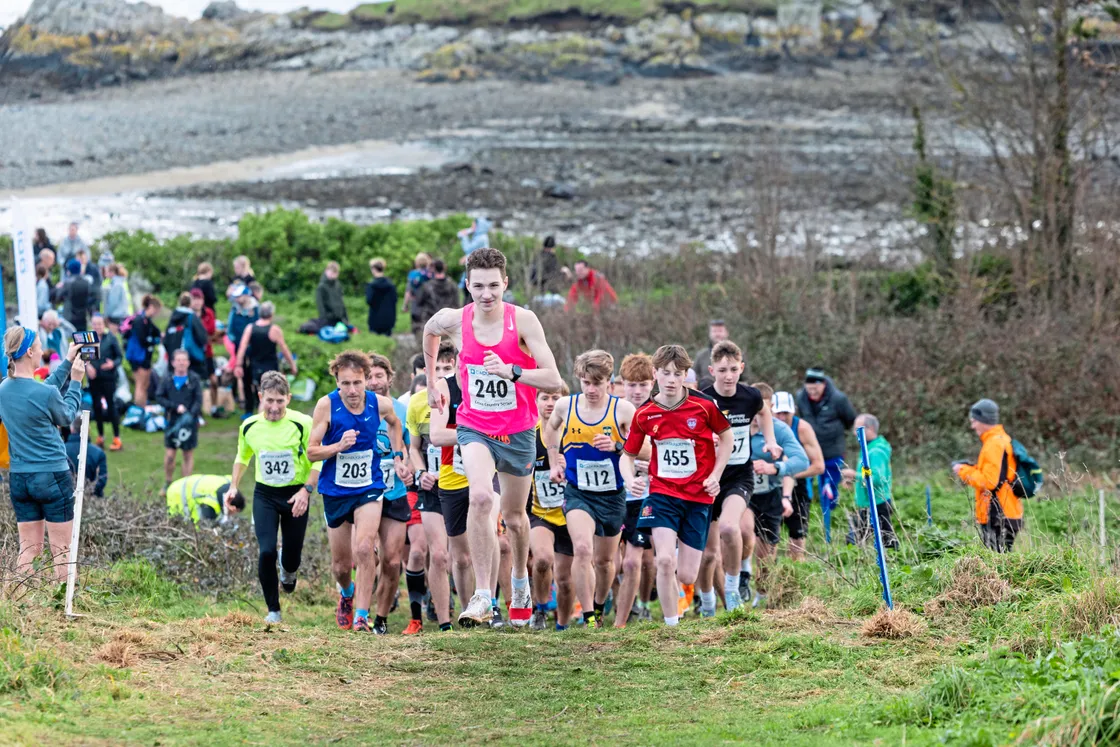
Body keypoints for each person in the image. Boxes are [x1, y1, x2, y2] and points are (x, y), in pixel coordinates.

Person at [423, 247, 563, 628]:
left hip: (518, 431)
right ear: (467, 285)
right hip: (474, 426)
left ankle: (519, 580)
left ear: (506, 284)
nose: (486, 295)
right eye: (479, 286)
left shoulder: (525, 321)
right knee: (482, 497)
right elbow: (429, 330)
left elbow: (554, 379)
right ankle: (483, 594)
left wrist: (512, 372)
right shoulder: (455, 320)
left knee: (516, 518)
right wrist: (433, 381)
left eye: (494, 287)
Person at [619, 345, 733, 627]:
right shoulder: (645, 413)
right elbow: (628, 455)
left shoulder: (704, 406)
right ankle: (672, 628)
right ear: (655, 374)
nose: (671, 379)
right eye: (666, 373)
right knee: (664, 561)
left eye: (678, 374)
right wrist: (629, 479)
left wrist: (716, 475)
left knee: (687, 576)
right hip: (663, 494)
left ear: (685, 376)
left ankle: (682, 564)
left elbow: (727, 437)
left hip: (698, 497)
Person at [308, 351, 409, 633]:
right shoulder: (326, 406)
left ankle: (361, 617)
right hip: (336, 490)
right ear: (337, 382)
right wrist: (337, 447)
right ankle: (346, 592)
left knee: (364, 548)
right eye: (345, 384)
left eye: (357, 383)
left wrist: (398, 455)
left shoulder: (379, 403)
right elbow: (312, 452)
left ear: (366, 379)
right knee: (341, 566)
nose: (352, 390)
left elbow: (395, 424)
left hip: (369, 486)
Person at [543, 350, 635, 628]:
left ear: (609, 380)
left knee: (606, 561)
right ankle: (587, 617)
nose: (592, 389)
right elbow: (550, 430)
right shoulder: (565, 407)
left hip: (612, 495)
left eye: (598, 382)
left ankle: (597, 605)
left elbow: (644, 449)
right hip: (577, 492)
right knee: (582, 549)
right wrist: (553, 463)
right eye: (586, 382)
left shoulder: (623, 410)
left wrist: (619, 447)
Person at [227, 372, 320, 624]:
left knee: (292, 556)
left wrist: (306, 491)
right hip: (265, 494)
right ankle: (273, 610)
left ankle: (288, 571)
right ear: (261, 397)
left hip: (296, 494)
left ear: (288, 399)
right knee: (266, 550)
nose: (275, 407)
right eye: (269, 400)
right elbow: (242, 457)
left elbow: (317, 460)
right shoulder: (249, 426)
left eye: (280, 401)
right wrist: (233, 486)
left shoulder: (303, 423)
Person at [696, 341, 780, 614]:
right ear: (712, 370)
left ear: (742, 368)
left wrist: (770, 440)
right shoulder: (703, 399)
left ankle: (732, 591)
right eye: (722, 370)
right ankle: (707, 603)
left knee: (731, 529)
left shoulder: (751, 396)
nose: (729, 376)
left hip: (738, 476)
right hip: (707, 479)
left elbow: (764, 411)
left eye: (734, 369)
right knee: (708, 555)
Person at [0, 329, 85, 583]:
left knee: (29, 550)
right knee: (62, 551)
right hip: (52, 476)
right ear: (29, 352)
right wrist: (77, 381)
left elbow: (40, 392)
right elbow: (67, 415)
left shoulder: (3, 389)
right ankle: (64, 604)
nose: (41, 351)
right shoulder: (44, 394)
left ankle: (17, 604)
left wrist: (68, 362)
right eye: (38, 347)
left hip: (20, 478)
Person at [425, 344, 478, 628]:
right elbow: (436, 435)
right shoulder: (444, 389)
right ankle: (468, 609)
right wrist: (476, 434)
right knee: (461, 556)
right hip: (452, 476)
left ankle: (487, 606)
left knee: (490, 543)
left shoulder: (485, 388)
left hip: (485, 476)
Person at [365, 353, 415, 635]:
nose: (373, 382)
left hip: (394, 490)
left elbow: (409, 447)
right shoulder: (357, 408)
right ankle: (359, 606)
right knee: (365, 555)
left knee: (393, 561)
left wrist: (405, 466)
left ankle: (381, 619)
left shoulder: (401, 410)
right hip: (364, 491)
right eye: (368, 377)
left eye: (378, 376)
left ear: (389, 378)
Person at [746, 382, 808, 608]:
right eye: (753, 409)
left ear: (771, 408)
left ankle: (761, 593)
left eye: (763, 410)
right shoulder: (736, 424)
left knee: (765, 551)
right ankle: (739, 579)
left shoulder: (779, 430)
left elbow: (801, 461)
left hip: (769, 493)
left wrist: (775, 469)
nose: (757, 416)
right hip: (741, 492)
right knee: (740, 534)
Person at [615, 353, 657, 627]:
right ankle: (608, 607)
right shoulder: (610, 411)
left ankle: (625, 619)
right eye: (632, 385)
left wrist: (648, 457)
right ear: (622, 384)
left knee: (635, 562)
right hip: (610, 496)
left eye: (643, 385)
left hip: (645, 498)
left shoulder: (659, 413)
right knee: (609, 563)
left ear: (653, 383)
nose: (638, 391)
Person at [528, 383, 571, 630]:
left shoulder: (574, 433)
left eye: (556, 398)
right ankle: (541, 609)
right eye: (545, 397)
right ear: (536, 401)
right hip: (539, 511)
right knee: (542, 560)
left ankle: (563, 624)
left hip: (570, 512)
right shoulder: (529, 435)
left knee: (565, 579)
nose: (550, 403)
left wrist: (570, 465)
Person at [953, 399, 1022, 553]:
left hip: (998, 515)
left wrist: (963, 471)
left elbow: (990, 481)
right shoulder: (1001, 439)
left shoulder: (994, 444)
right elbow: (996, 474)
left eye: (974, 421)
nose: (972, 426)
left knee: (997, 566)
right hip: (1006, 513)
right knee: (1001, 563)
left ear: (984, 419)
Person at [795, 368, 857, 537]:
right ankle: (806, 514)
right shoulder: (801, 397)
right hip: (809, 451)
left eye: (815, 389)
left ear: (823, 384)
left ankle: (831, 519)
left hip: (833, 451)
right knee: (804, 483)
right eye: (809, 390)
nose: (812, 393)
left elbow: (851, 419)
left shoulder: (839, 399)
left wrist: (832, 431)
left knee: (830, 487)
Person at [771, 391, 825, 561]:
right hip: (770, 485)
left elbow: (819, 466)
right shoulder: (764, 426)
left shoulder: (802, 428)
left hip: (799, 487)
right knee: (769, 538)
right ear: (771, 410)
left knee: (797, 538)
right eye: (778, 412)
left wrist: (789, 472)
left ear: (793, 411)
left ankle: (797, 577)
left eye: (786, 412)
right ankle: (768, 581)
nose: (782, 417)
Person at [841, 414, 897, 549]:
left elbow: (877, 478)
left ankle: (895, 562)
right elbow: (868, 472)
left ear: (870, 428)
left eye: (857, 429)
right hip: (868, 502)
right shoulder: (869, 447)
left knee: (883, 540)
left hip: (877, 502)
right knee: (883, 539)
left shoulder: (876, 451)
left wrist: (855, 475)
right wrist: (855, 479)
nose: (855, 434)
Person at [235, 302, 297, 418]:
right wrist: (292, 365)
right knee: (267, 396)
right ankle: (262, 419)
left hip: (254, 366)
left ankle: (253, 414)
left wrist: (238, 365)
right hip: (270, 368)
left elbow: (242, 347)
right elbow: (284, 349)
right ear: (271, 314)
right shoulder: (274, 329)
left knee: (259, 393)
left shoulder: (250, 328)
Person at [157, 349, 204, 492]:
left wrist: (190, 414)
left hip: (189, 423)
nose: (181, 363)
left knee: (188, 454)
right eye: (178, 360)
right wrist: (174, 407)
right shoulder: (167, 379)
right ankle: (168, 482)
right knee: (170, 455)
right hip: (172, 422)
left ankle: (185, 485)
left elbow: (198, 399)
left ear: (188, 363)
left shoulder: (194, 379)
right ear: (173, 363)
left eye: (184, 360)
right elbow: (159, 397)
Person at [85, 315, 123, 452]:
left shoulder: (111, 338)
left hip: (108, 378)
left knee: (111, 405)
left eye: (99, 324)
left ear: (104, 325)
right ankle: (100, 436)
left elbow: (119, 357)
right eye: (94, 324)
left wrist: (112, 364)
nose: (97, 327)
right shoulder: (88, 339)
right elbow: (84, 358)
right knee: (97, 406)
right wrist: (87, 367)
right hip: (94, 379)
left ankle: (117, 437)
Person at [125, 295, 162, 408]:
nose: (156, 313)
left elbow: (157, 331)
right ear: (151, 307)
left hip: (145, 356)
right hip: (137, 357)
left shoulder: (147, 320)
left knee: (146, 384)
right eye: (156, 310)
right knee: (140, 384)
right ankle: (138, 410)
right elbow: (143, 340)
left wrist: (157, 337)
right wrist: (154, 341)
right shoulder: (139, 320)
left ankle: (143, 407)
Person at [164, 292, 209, 383]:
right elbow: (203, 338)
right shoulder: (191, 317)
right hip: (191, 359)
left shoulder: (173, 318)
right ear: (191, 303)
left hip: (174, 359)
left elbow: (166, 340)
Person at [168, 474, 244, 525]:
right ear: (231, 507)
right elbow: (205, 527)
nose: (232, 515)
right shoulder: (211, 503)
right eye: (233, 512)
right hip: (177, 492)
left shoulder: (230, 483)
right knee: (180, 521)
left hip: (188, 483)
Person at [693, 319, 746, 391]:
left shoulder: (737, 355)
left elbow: (746, 379)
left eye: (720, 331)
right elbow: (695, 377)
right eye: (714, 331)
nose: (717, 334)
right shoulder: (701, 356)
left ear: (726, 332)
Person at [189, 288, 219, 409]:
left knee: (214, 380)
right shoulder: (188, 315)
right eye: (194, 299)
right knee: (195, 383)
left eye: (199, 299)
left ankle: (214, 407)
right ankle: (196, 409)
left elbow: (211, 332)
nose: (197, 302)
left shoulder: (208, 313)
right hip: (193, 353)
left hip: (207, 352)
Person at [65, 416, 108, 498]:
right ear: (88, 430)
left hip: (67, 500)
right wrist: (87, 492)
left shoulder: (61, 451)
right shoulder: (98, 453)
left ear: (72, 429)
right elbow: (101, 479)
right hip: (92, 501)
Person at [414, 258, 460, 328]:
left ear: (433, 269)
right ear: (444, 268)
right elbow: (457, 304)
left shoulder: (427, 286)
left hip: (432, 321)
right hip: (449, 322)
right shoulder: (452, 284)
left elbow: (419, 302)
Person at [529, 236, 570, 303]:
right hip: (547, 290)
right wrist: (564, 273)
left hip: (536, 289)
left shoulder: (538, 256)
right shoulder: (551, 257)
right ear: (553, 247)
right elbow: (553, 274)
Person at [60, 259, 96, 332]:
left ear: (69, 270)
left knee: (70, 341)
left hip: (69, 316)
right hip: (82, 317)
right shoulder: (86, 283)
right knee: (82, 339)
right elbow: (91, 299)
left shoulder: (67, 284)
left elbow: (58, 297)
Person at [365, 258, 397, 336]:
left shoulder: (371, 286)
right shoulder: (391, 285)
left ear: (373, 269)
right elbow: (395, 300)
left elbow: (369, 301)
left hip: (375, 319)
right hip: (388, 319)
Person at [404, 253, 432, 339]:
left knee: (416, 327)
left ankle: (418, 344)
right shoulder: (430, 274)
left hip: (416, 304)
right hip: (429, 305)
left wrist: (405, 305)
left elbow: (408, 291)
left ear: (416, 263)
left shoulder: (412, 274)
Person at [316, 261, 349, 328]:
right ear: (326, 271)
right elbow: (320, 306)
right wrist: (324, 319)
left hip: (339, 318)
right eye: (331, 272)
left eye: (335, 273)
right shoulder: (321, 287)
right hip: (328, 319)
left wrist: (346, 318)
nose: (333, 275)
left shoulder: (338, 285)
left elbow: (341, 303)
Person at [102, 264, 132, 331]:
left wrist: (106, 315)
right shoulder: (119, 282)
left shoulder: (116, 285)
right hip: (121, 315)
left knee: (114, 339)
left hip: (116, 317)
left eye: (108, 271)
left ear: (112, 272)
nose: (106, 273)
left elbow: (113, 303)